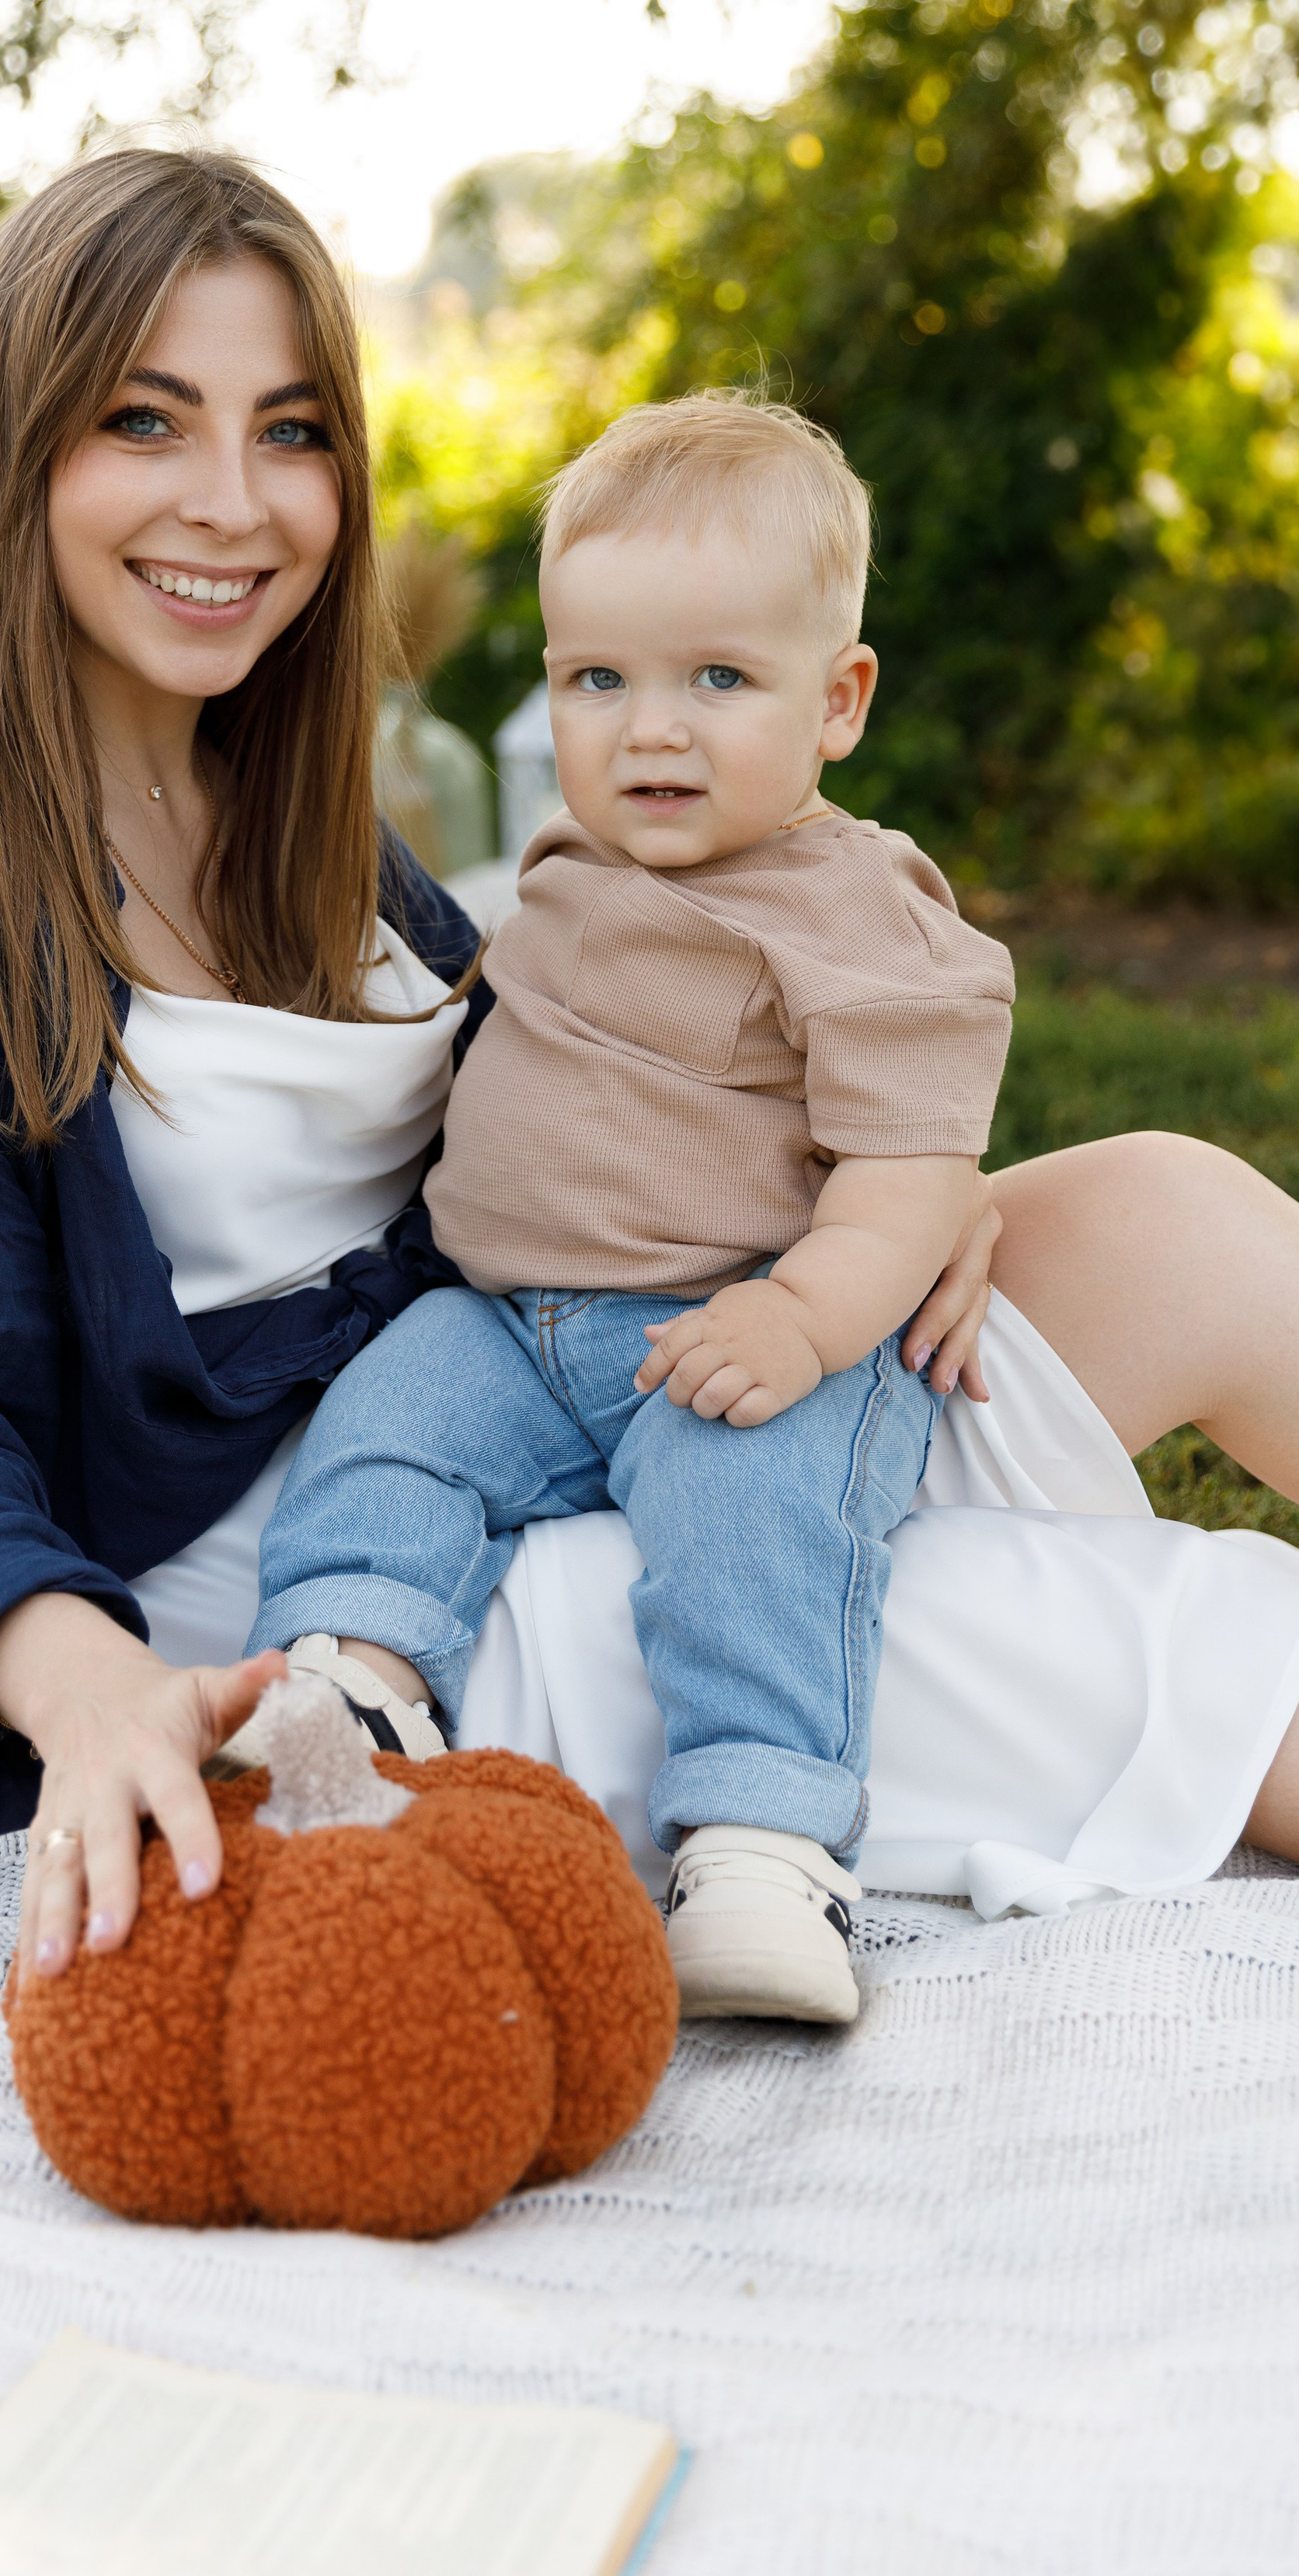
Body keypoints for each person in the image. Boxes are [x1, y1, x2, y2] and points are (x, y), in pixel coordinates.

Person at [0, 146, 1299, 2009]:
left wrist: (898, 1214)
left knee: (1162, 1214)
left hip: (595, 1359)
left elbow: (595, 1101)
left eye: (288, 432)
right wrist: (86, 1690)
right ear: (2, 453)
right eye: (141, 422)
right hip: (367, 1573)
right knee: (1146, 1642)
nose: (231, 501)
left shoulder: (291, 821)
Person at [243, 392, 1015, 2025]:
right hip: (505, 1327)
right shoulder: (571, 865)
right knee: (384, 1432)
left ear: (837, 701)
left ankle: (758, 1844)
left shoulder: (857, 906)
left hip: (732, 1315)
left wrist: (807, 1318)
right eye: (598, 681)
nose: (647, 731)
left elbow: (905, 1164)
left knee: (755, 1529)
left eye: (715, 681)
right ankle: (350, 1681)